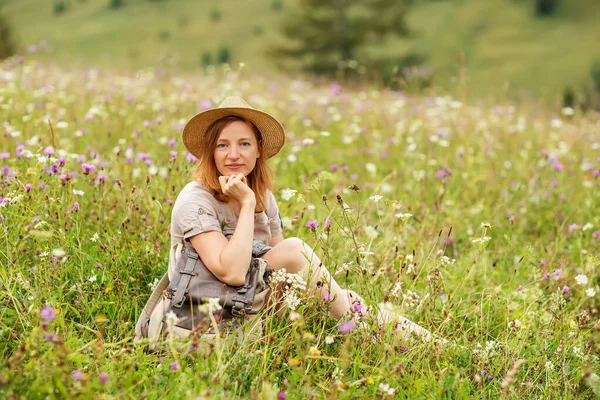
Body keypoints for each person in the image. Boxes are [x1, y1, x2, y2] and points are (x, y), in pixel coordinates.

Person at [136, 96, 434, 342]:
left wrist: (324, 294)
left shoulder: (262, 195)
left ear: (259, 150)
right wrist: (247, 202)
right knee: (300, 255)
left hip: (252, 303)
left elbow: (287, 271)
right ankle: (366, 331)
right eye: (222, 145)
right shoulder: (196, 198)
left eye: (244, 144)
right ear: (210, 153)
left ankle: (432, 345)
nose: (233, 154)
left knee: (349, 298)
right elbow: (232, 273)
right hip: (204, 312)